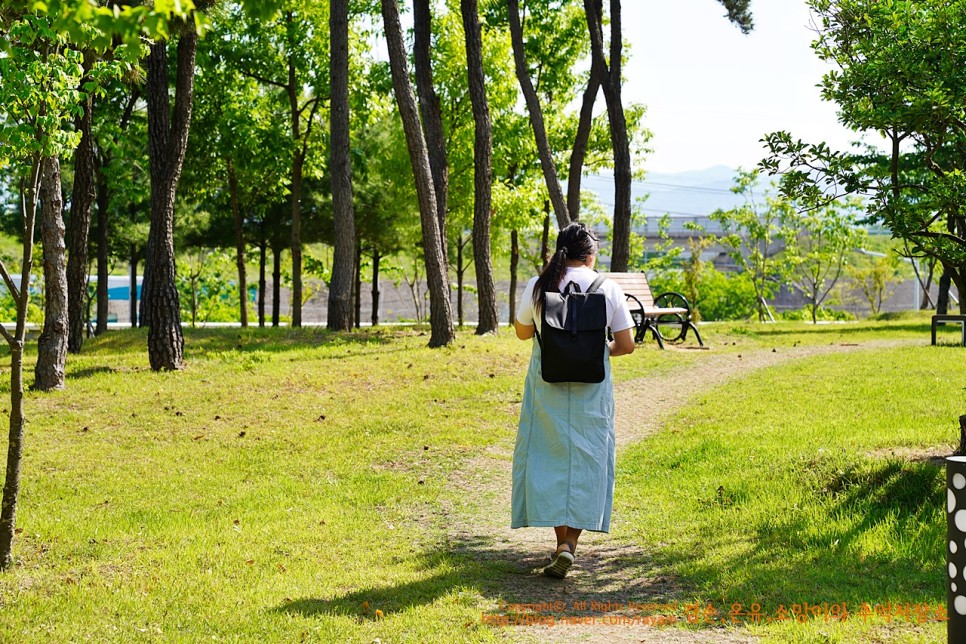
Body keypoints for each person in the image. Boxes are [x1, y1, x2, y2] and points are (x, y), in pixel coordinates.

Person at [512, 221, 636, 579]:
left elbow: (522, 333)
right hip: (591, 390)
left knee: (547, 455)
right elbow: (626, 345)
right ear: (591, 255)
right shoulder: (608, 287)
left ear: (560, 251)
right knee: (587, 457)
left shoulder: (539, 285)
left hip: (545, 383)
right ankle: (571, 545)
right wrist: (594, 352)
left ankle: (559, 543)